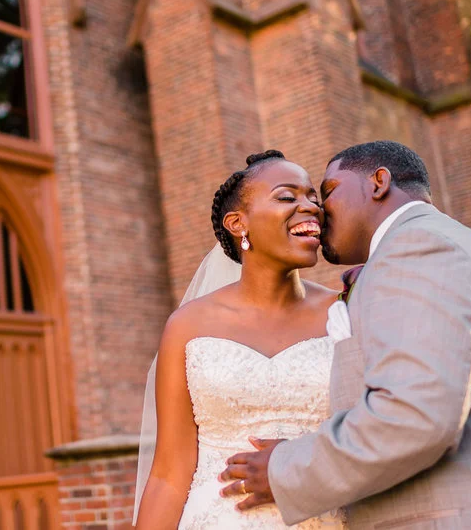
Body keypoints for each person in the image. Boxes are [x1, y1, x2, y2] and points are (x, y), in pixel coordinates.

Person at [220, 140, 471, 529]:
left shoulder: (418, 247)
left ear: (379, 182)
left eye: (327, 192)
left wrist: (284, 469)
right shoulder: (425, 244)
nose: (318, 210)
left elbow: (415, 415)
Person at [134, 150, 346, 528]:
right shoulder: (188, 326)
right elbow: (169, 473)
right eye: (287, 197)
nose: (311, 207)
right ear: (238, 223)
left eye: (313, 197)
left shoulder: (345, 311)